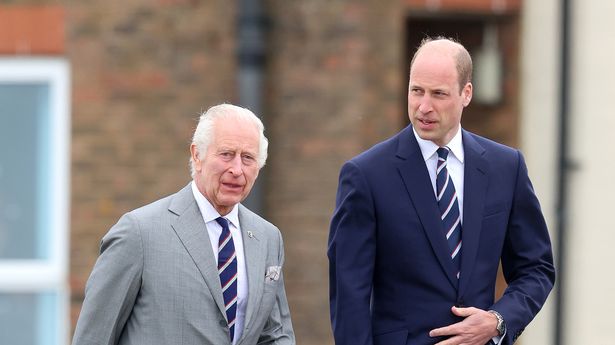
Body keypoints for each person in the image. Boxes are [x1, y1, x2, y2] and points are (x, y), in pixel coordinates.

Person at [328, 37, 555, 345]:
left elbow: (536, 268)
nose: (424, 106)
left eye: (438, 94)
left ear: (466, 94)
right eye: (416, 90)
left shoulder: (506, 167)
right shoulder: (366, 175)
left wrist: (498, 321)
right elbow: (349, 293)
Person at [72, 103, 295, 345]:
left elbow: (275, 335)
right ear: (197, 155)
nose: (237, 169)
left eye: (248, 158)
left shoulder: (268, 237)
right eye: (226, 154)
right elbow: (93, 337)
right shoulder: (139, 233)